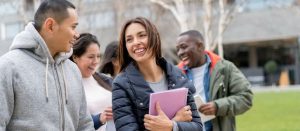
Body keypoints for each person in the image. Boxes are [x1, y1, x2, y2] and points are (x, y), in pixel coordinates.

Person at [0, 0, 94, 130]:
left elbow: (85, 124)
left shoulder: (72, 70)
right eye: (73, 27)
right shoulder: (8, 67)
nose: (77, 34)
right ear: (50, 26)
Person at [112, 17, 203, 131]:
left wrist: (171, 125)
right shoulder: (121, 84)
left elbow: (198, 127)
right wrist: (174, 122)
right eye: (129, 39)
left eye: (142, 35)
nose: (136, 42)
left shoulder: (178, 75)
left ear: (154, 37)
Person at [176, 30, 253, 131]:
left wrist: (218, 106)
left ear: (200, 46)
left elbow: (246, 97)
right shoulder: (174, 74)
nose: (180, 53)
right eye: (178, 49)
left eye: (184, 47)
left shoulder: (225, 68)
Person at [70, 33, 115, 131]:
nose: (96, 61)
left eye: (98, 56)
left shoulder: (106, 80)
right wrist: (100, 119)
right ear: (75, 57)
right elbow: (74, 125)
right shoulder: (68, 86)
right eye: (91, 57)